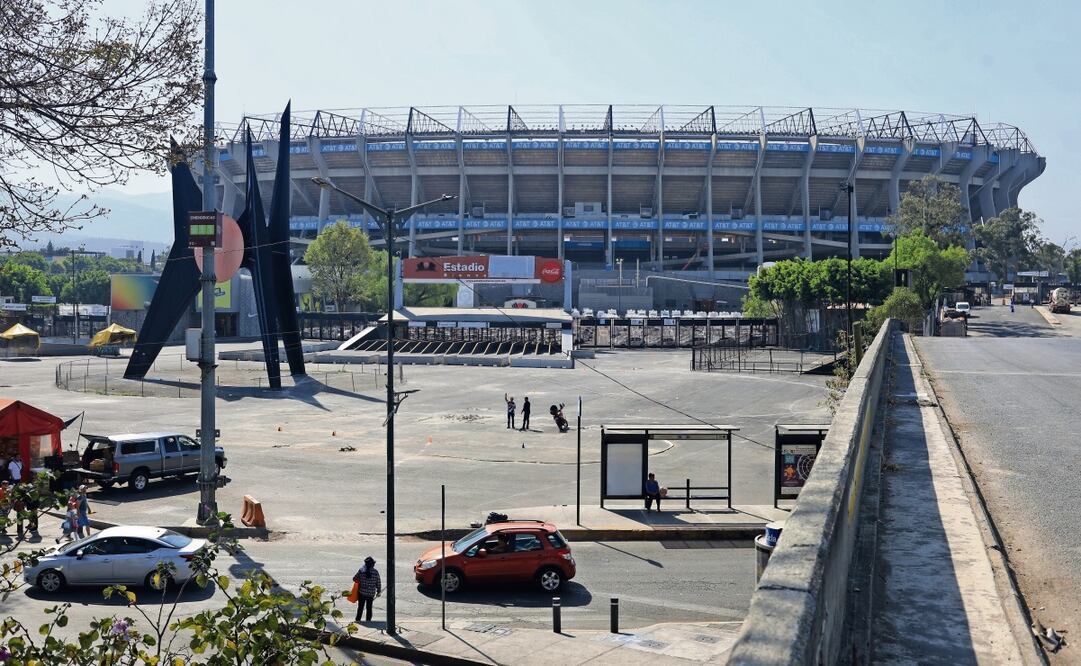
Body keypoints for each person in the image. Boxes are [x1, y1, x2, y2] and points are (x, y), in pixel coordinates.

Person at [353, 556, 381, 623]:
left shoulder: (361, 571)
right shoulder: (375, 572)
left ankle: (358, 620)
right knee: (369, 608)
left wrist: (360, 579)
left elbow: (354, 579)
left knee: (360, 607)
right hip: (371, 593)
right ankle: (368, 621)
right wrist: (378, 591)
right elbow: (378, 582)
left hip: (362, 592)